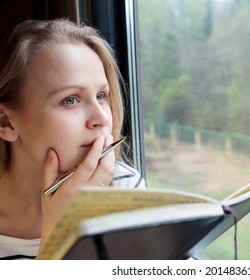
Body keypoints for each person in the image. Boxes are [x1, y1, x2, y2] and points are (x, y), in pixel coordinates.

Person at [0, 18, 145, 260]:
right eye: (70, 100)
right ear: (6, 122)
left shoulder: (125, 185)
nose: (101, 118)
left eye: (101, 95)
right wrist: (60, 234)